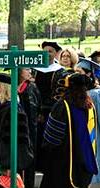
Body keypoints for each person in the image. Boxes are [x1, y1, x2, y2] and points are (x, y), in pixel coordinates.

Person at [38, 73, 98, 188]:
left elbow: (53, 133)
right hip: (82, 152)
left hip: (63, 154)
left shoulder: (63, 104)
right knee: (75, 181)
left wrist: (47, 146)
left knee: (63, 183)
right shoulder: (87, 103)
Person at [75, 58, 100, 188]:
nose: (75, 74)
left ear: (89, 74)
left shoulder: (97, 94)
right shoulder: (75, 92)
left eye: (79, 72)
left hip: (93, 135)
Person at [33, 41, 64, 171]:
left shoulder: (60, 72)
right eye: (44, 51)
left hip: (50, 111)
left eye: (50, 51)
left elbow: (59, 93)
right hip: (34, 108)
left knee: (47, 138)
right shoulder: (34, 69)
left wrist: (44, 111)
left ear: (56, 54)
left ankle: (47, 166)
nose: (46, 54)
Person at [17, 68, 41, 188]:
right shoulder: (13, 85)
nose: (30, 71)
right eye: (26, 69)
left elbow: (36, 109)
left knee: (27, 162)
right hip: (16, 129)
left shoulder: (31, 87)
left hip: (29, 131)